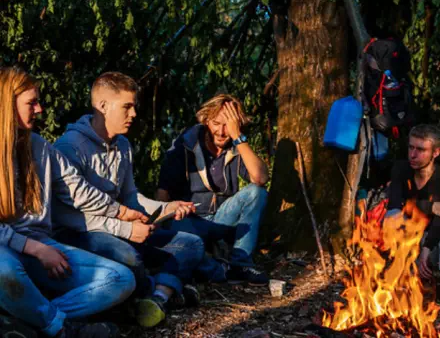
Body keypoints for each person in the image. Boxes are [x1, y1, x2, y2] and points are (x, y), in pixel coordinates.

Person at [52, 72, 205, 328]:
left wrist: (164, 208)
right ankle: (165, 290)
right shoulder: (69, 147)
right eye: (127, 106)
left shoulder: (123, 145)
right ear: (102, 106)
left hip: (120, 230)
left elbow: (130, 197)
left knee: (191, 245)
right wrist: (127, 228)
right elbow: (71, 214)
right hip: (80, 233)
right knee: (128, 256)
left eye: (134, 106)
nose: (133, 114)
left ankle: (155, 298)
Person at [0, 66, 136, 338]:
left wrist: (121, 211)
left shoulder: (40, 148)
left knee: (121, 279)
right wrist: (35, 248)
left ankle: (29, 323)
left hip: (44, 250)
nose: (39, 109)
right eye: (31, 103)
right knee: (4, 269)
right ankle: (61, 328)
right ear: (7, 105)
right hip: (8, 249)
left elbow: (78, 189)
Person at [156, 92, 270, 286]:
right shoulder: (185, 144)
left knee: (256, 193)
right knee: (183, 237)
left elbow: (260, 178)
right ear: (206, 120)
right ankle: (214, 268)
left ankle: (239, 263)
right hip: (191, 218)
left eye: (228, 126)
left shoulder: (236, 144)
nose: (221, 131)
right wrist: (159, 224)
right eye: (216, 123)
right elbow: (163, 190)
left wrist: (238, 137)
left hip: (222, 218)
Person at [387, 124, 440, 306]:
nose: (413, 155)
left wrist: (427, 248)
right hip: (406, 247)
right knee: (393, 216)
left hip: (434, 248)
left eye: (421, 150)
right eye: (411, 147)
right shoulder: (401, 170)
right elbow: (395, 204)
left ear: (436, 152)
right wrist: (431, 207)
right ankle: (401, 279)